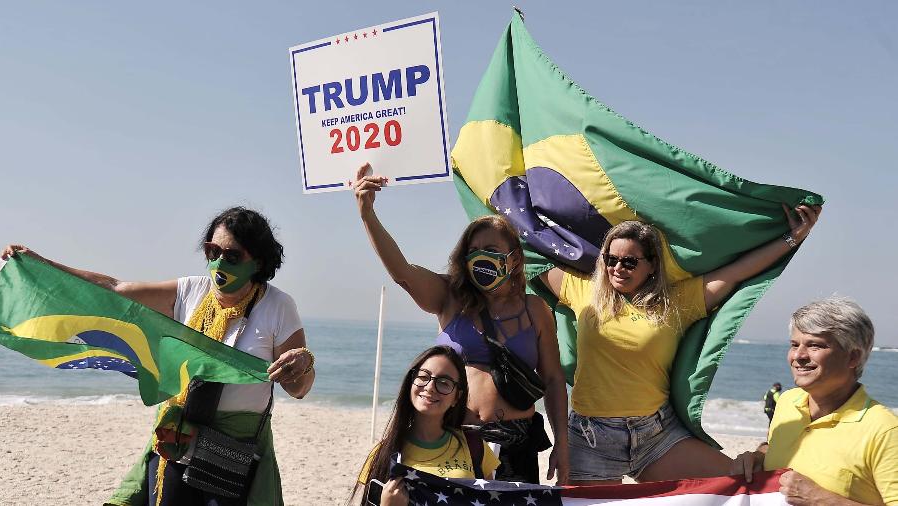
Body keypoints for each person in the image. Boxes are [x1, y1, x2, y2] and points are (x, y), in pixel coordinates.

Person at [2, 206, 315, 506]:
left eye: (232, 256)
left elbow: (298, 389)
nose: (219, 263)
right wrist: (42, 263)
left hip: (231, 453)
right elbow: (113, 287)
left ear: (258, 262)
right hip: (175, 440)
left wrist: (302, 364)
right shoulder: (191, 291)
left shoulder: (277, 307)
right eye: (212, 252)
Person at [539, 203, 821, 484]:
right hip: (591, 440)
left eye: (629, 262)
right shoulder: (582, 290)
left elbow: (737, 272)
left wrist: (792, 238)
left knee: (743, 484)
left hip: (657, 435)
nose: (617, 268)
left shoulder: (675, 303)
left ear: (651, 265)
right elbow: (523, 256)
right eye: (611, 260)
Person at [352, 164, 569, 485]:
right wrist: (367, 214)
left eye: (492, 251)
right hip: (457, 439)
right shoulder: (450, 297)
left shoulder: (535, 309)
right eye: (474, 251)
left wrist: (562, 443)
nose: (481, 258)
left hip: (517, 444)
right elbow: (402, 272)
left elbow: (552, 379)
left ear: (515, 259)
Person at [739, 297, 898, 505]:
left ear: (853, 358)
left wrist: (822, 499)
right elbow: (784, 447)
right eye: (794, 344)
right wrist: (759, 458)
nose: (798, 355)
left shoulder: (885, 430)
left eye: (814, 345)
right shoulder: (787, 401)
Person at [351, 345, 500, 506]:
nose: (430, 387)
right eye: (423, 377)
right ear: (411, 382)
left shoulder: (475, 447)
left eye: (444, 382)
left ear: (457, 396)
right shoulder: (383, 453)